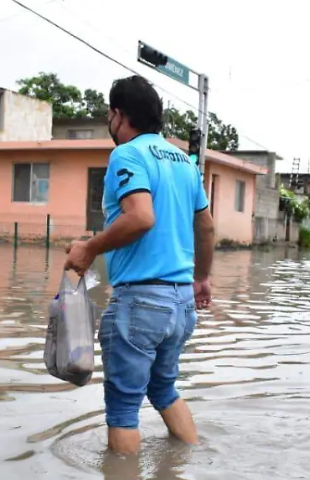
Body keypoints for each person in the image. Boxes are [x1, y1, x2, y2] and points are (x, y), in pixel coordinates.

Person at [64, 75, 215, 455]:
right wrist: (201, 279)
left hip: (141, 302)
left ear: (118, 115)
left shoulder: (127, 154)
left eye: (109, 116)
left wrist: (90, 248)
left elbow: (141, 217)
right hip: (181, 303)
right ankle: (190, 462)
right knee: (164, 389)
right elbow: (206, 226)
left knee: (123, 407)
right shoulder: (185, 163)